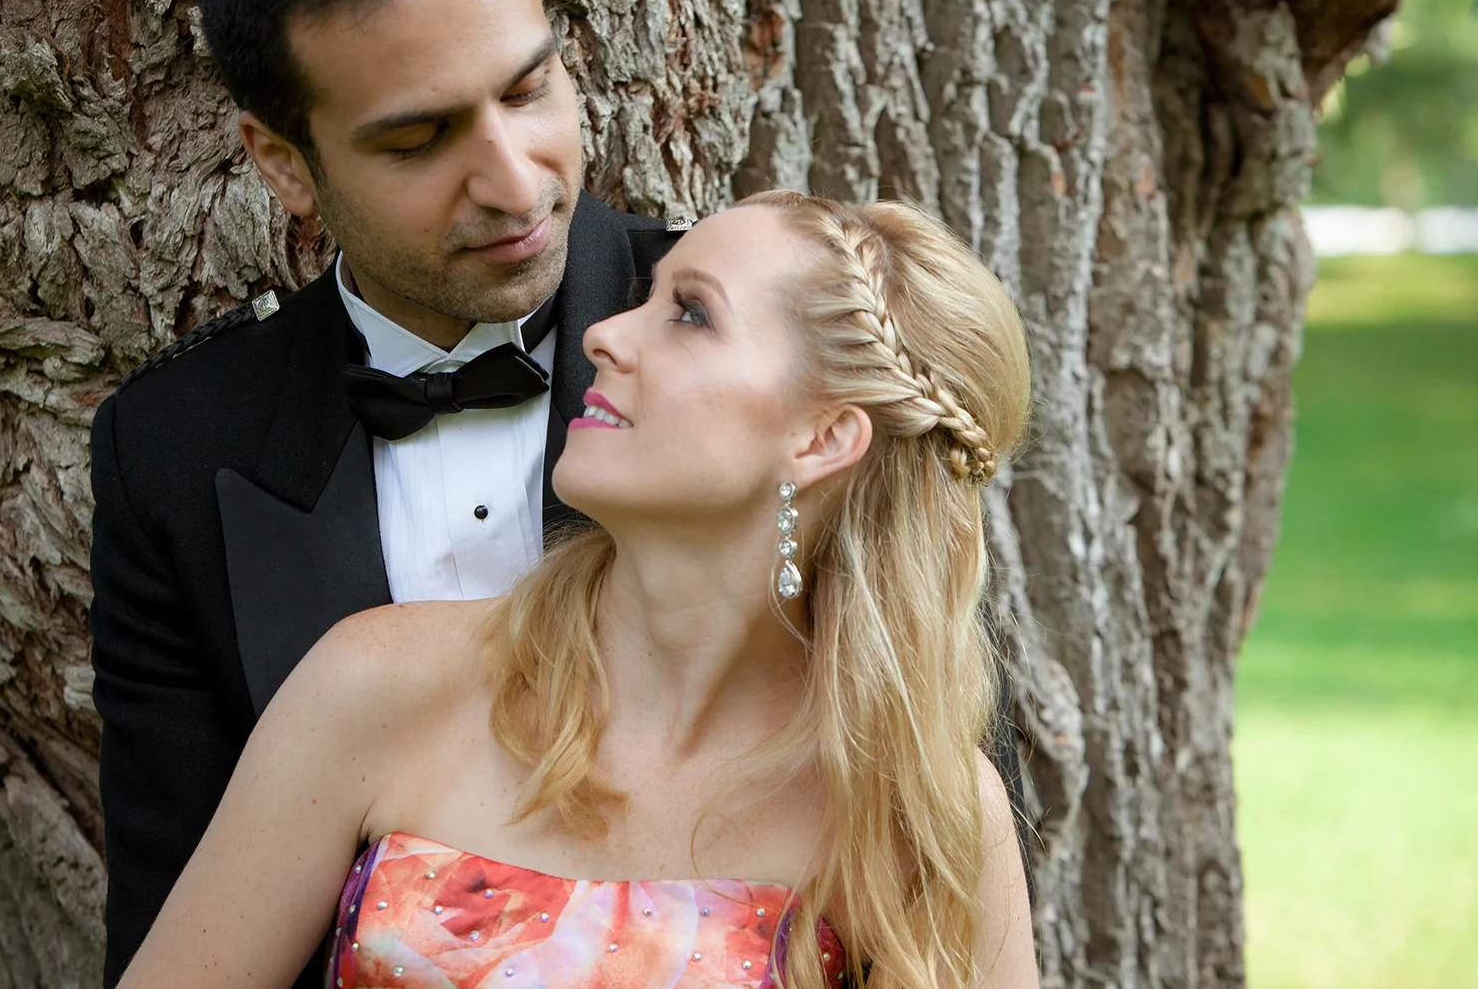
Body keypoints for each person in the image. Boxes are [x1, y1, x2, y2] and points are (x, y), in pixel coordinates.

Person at [87, 0, 1029, 985]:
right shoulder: (180, 452)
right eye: (418, 140)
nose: (513, 178)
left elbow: (906, 666)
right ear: (284, 162)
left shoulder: (796, 333)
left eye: (528, 91)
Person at [116, 193, 1038, 989]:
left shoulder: (915, 808)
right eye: (646, 294)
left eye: (689, 314)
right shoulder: (378, 682)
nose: (602, 331)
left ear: (822, 438)